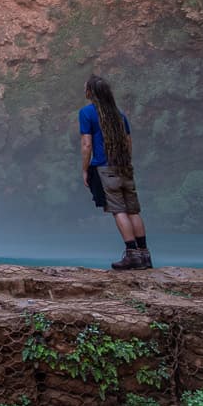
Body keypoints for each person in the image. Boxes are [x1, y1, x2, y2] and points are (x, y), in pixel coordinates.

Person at [79, 74, 150, 270]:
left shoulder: (87, 113)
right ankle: (144, 255)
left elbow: (87, 144)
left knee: (118, 210)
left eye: (86, 88)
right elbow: (128, 142)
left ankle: (131, 255)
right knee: (133, 210)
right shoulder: (119, 114)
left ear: (91, 93)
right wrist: (126, 163)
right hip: (124, 167)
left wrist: (85, 169)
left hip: (105, 168)